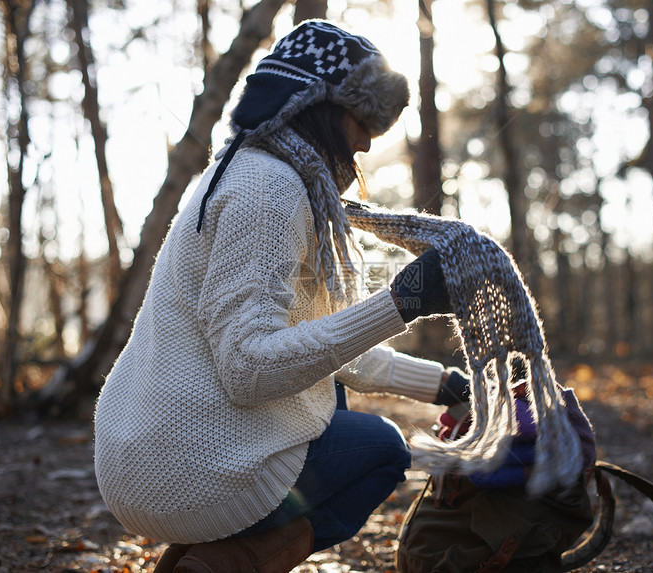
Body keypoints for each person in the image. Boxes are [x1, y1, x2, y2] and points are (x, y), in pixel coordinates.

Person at [93, 20, 470, 573]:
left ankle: (197, 562)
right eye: (361, 120)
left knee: (325, 394)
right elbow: (250, 369)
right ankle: (231, 563)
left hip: (141, 458)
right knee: (382, 452)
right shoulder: (270, 191)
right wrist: (402, 301)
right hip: (186, 465)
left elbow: (323, 347)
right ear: (313, 104)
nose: (366, 142)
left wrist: (439, 384)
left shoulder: (244, 172)